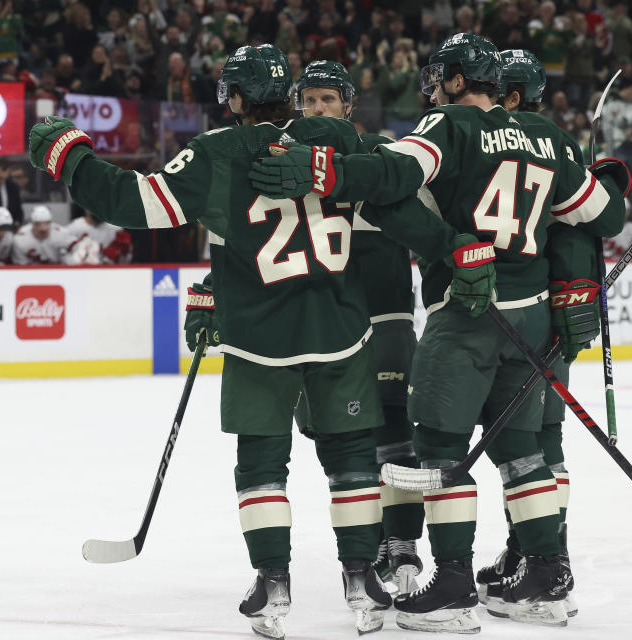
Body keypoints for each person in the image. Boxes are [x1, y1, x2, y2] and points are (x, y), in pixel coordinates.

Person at [249, 33, 628, 632]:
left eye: (437, 78)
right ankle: (548, 578)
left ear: (455, 80)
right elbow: (607, 216)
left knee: (440, 453)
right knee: (522, 450)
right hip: (530, 319)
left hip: (470, 313)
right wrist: (599, 176)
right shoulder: (550, 138)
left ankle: (452, 587)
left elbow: (394, 174)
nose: (432, 88)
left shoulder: (448, 126)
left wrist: (328, 169)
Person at [29, 44, 395, 637]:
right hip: (341, 332)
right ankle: (362, 580)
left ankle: (274, 584)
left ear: (240, 98)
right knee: (352, 459)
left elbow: (131, 201)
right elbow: (396, 186)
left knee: (260, 464)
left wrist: (69, 157)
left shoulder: (215, 152)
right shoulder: (337, 138)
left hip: (259, 340)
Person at [289, 59, 425, 594]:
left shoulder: (382, 155)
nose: (318, 110)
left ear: (349, 105)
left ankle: (405, 549)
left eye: (328, 100)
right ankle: (368, 552)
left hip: (386, 317)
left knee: (394, 434)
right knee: (341, 444)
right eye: (309, 100)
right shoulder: (287, 162)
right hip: (322, 327)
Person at [475, 48, 601, 621]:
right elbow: (601, 220)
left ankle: (548, 559)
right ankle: (533, 550)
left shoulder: (492, 140)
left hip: (519, 313)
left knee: (531, 442)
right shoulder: (556, 143)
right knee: (533, 440)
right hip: (544, 310)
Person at [66, 209, 133, 264]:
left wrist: (124, 253)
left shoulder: (116, 229)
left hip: (108, 271)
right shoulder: (74, 227)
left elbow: (126, 259)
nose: (98, 212)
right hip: (81, 269)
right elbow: (64, 254)